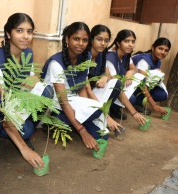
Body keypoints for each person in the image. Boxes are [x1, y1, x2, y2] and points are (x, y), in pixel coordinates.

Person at [0, 13, 53, 168]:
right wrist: (24, 149)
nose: (26, 36)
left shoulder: (27, 52)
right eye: (20, 31)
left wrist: (33, 79)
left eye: (29, 32)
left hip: (16, 102)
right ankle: (12, 136)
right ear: (9, 34)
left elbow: (29, 78)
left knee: (47, 92)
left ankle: (23, 132)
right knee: (24, 132)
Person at [42, 22, 120, 151]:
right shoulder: (56, 62)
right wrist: (83, 132)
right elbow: (63, 101)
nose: (80, 44)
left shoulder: (85, 57)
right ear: (67, 39)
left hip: (74, 100)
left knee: (102, 136)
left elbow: (83, 87)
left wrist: (85, 110)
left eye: (84, 40)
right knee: (97, 110)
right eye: (76, 39)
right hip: (57, 103)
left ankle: (72, 122)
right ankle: (54, 121)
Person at [90, 25, 145, 127]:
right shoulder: (107, 56)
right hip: (86, 96)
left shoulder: (101, 54)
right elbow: (85, 90)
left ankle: (105, 111)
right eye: (99, 39)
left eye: (106, 40)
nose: (103, 43)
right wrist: (106, 116)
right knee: (123, 90)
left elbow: (108, 74)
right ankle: (107, 111)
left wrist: (127, 73)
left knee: (130, 82)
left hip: (95, 94)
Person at [106, 29, 167, 117]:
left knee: (140, 78)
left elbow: (134, 69)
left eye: (133, 41)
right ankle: (112, 108)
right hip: (111, 89)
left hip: (121, 86)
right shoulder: (110, 57)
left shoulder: (126, 55)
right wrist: (134, 113)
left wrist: (130, 72)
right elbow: (113, 84)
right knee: (132, 99)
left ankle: (116, 107)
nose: (131, 44)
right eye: (127, 41)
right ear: (118, 43)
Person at [132, 38, 171, 114]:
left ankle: (140, 101)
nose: (163, 52)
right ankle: (137, 102)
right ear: (153, 48)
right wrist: (154, 105)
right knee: (142, 83)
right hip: (133, 86)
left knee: (162, 95)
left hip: (145, 84)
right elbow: (142, 83)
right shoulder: (144, 60)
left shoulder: (158, 60)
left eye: (166, 50)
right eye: (160, 49)